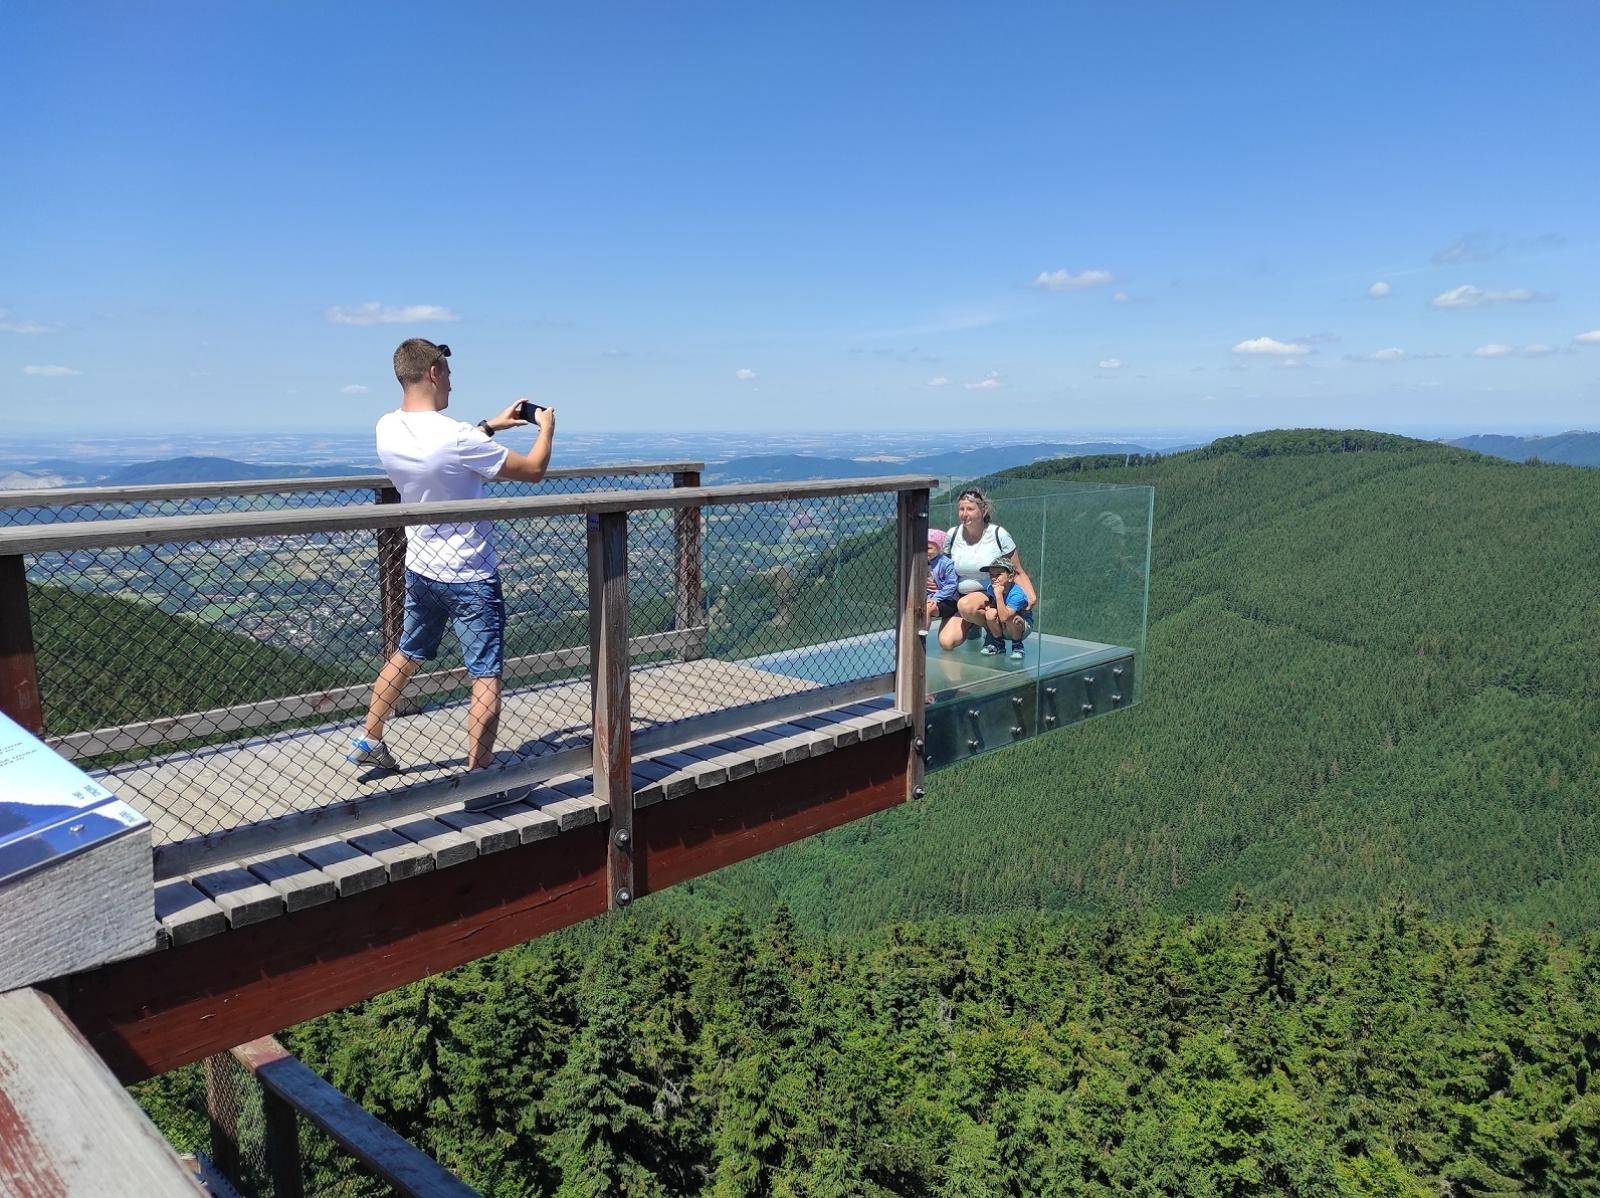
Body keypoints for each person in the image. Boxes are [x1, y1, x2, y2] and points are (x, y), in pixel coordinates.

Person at [348, 338, 556, 773]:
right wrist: (547, 429)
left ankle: (370, 738)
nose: (451, 385)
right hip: (470, 573)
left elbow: (442, 450)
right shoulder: (457, 436)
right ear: (434, 372)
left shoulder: (386, 426)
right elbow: (534, 471)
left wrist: (492, 425)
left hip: (421, 567)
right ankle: (479, 776)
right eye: (449, 373)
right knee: (484, 674)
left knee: (406, 653)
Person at [935, 486, 1038, 651]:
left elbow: (1016, 570)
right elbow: (943, 567)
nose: (964, 513)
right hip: (959, 595)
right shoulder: (953, 535)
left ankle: (994, 635)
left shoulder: (998, 535)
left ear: (983, 510)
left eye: (970, 509)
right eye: (961, 509)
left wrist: (1031, 596)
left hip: (989, 593)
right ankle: (974, 623)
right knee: (946, 642)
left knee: (966, 605)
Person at [977, 559, 1032, 659]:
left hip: (1021, 626)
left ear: (1010, 577)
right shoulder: (992, 588)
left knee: (1013, 618)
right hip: (1005, 625)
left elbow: (1004, 617)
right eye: (991, 575)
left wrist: (998, 595)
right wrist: (992, 605)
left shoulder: (1017, 594)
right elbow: (995, 603)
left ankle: (1017, 647)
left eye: (998, 574)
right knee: (990, 613)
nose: (994, 578)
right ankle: (998, 644)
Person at [924, 528, 959, 626]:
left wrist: (935, 598)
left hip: (948, 601)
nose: (925, 551)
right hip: (929, 598)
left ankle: (921, 638)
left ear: (939, 549)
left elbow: (952, 585)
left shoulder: (946, 564)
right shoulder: (921, 562)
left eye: (929, 548)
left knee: (927, 609)